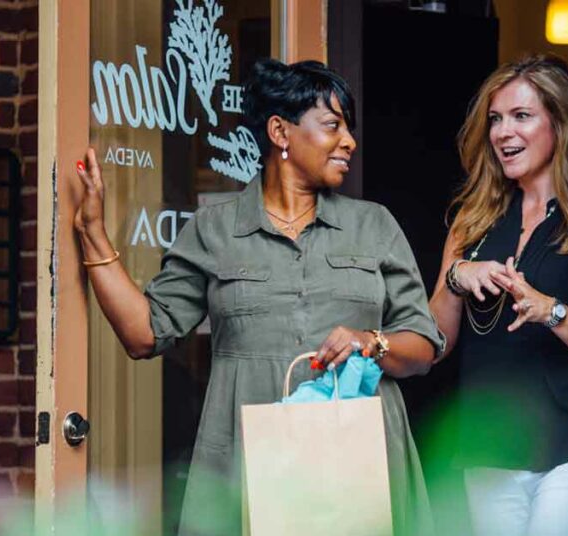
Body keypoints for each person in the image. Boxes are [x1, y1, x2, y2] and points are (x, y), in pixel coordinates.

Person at [73, 59, 443, 536]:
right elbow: (145, 333)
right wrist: (93, 233)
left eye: (348, 128)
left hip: (361, 460)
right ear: (280, 132)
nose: (348, 140)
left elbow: (424, 346)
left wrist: (371, 342)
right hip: (246, 465)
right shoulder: (215, 229)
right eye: (332, 125)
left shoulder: (373, 225)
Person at [428, 55, 568, 536]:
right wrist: (455, 278)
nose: (504, 132)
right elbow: (434, 345)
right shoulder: (472, 222)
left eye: (521, 116)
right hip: (491, 448)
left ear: (560, 124)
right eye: (495, 119)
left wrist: (551, 310)